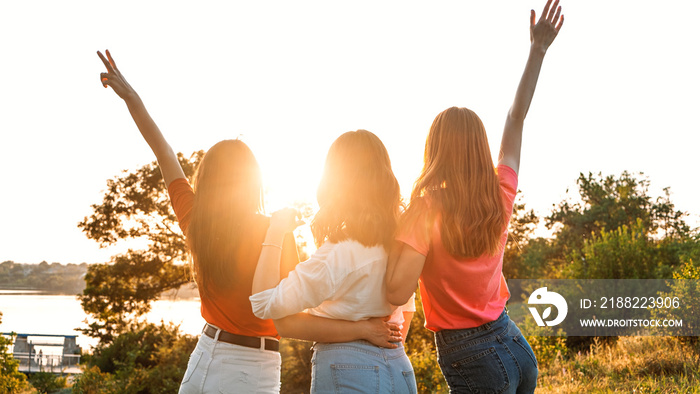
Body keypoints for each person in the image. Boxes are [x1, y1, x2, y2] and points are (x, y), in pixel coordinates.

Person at [97, 51, 402, 394]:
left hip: (202, 357)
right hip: (250, 369)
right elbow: (289, 320)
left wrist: (132, 98)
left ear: (207, 180)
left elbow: (163, 151)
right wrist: (362, 328)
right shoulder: (273, 233)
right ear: (253, 182)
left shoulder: (196, 222)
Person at [384, 1, 564, 393]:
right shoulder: (500, 193)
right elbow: (516, 119)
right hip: (514, 343)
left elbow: (397, 292)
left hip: (471, 355)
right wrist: (537, 52)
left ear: (435, 151)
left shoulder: (427, 208)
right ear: (481, 148)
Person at [250, 130, 417, 393]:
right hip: (399, 367)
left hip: (348, 368)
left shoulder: (338, 253)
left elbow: (262, 303)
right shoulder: (401, 244)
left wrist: (275, 231)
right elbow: (406, 309)